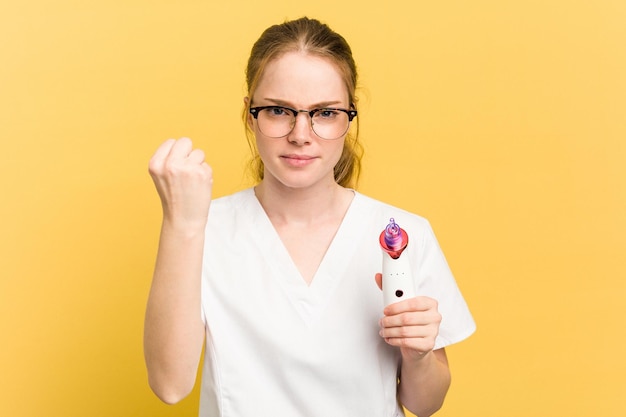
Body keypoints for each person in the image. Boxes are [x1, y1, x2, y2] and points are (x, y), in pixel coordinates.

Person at [144, 17, 475, 417]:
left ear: (348, 117)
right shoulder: (203, 229)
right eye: (280, 110)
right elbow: (170, 385)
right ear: (250, 114)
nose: (301, 133)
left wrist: (417, 354)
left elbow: (425, 404)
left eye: (325, 113)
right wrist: (182, 224)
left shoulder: (403, 234)